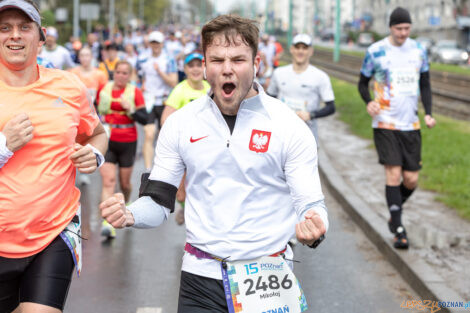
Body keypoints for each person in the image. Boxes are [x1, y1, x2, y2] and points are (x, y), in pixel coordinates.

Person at [100, 15, 328, 312]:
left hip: (267, 277)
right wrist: (130, 215)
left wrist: (316, 227)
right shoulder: (181, 123)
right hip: (200, 275)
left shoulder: (288, 126)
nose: (227, 69)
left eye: (238, 59)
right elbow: (158, 202)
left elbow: (311, 203)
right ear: (204, 66)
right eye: (217, 60)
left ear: (257, 62)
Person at [0, 1, 108, 312]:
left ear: (42, 36)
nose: (15, 36)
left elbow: (98, 133)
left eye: (24, 27)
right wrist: (4, 145)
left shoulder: (69, 86)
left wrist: (94, 155)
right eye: (5, 28)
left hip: (54, 230)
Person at [358, 7, 436, 249]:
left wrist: (429, 113)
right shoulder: (376, 51)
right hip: (385, 121)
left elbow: (425, 84)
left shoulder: (418, 50)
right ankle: (399, 229)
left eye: (407, 28)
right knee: (393, 174)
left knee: (411, 179)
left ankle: (394, 210)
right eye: (399, 28)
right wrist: (369, 101)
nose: (403, 33)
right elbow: (362, 83)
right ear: (390, 27)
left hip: (410, 124)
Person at [96, 61, 147, 239]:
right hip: (108, 139)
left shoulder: (135, 92)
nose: (121, 76)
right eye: (118, 72)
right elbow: (93, 110)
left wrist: (130, 109)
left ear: (130, 75)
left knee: (124, 184)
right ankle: (107, 223)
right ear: (114, 73)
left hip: (128, 140)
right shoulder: (104, 88)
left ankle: (126, 201)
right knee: (108, 181)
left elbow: (145, 118)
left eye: (125, 73)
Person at [160, 52, 210, 226]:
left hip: (207, 148)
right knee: (181, 194)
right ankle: (185, 206)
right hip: (185, 149)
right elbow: (165, 119)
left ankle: (198, 230)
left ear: (205, 67)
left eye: (199, 65)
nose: (196, 69)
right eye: (191, 66)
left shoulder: (210, 88)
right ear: (185, 69)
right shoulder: (180, 90)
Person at [267, 34, 335, 143]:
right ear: (291, 49)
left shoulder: (320, 76)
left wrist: (310, 115)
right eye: (297, 47)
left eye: (304, 48)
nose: (300, 51)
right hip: (280, 137)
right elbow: (269, 99)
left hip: (307, 137)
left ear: (311, 51)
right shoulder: (278, 73)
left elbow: (331, 107)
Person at [140, 30, 177, 171]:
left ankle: (162, 168)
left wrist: (160, 72)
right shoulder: (142, 58)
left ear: (162, 44)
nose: (155, 45)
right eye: (153, 42)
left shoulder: (169, 59)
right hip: (148, 100)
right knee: (149, 134)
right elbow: (137, 77)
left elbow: (174, 82)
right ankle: (149, 170)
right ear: (149, 43)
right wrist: (140, 85)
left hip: (164, 101)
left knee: (164, 137)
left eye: (158, 43)